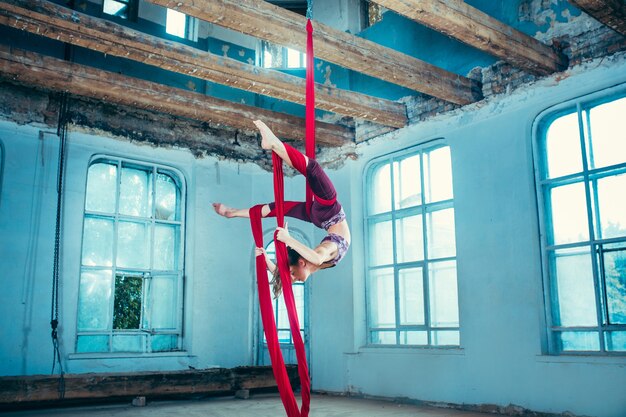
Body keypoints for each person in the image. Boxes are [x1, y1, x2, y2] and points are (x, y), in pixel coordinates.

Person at [213, 120, 351, 297]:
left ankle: (274, 145)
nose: (291, 279)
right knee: (282, 204)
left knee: (301, 182)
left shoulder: (319, 255)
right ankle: (231, 212)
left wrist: (267, 258)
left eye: (291, 274)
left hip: (327, 213)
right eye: (291, 274)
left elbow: (301, 263)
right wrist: (285, 242)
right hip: (324, 216)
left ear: (302, 262)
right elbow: (303, 263)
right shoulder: (316, 259)